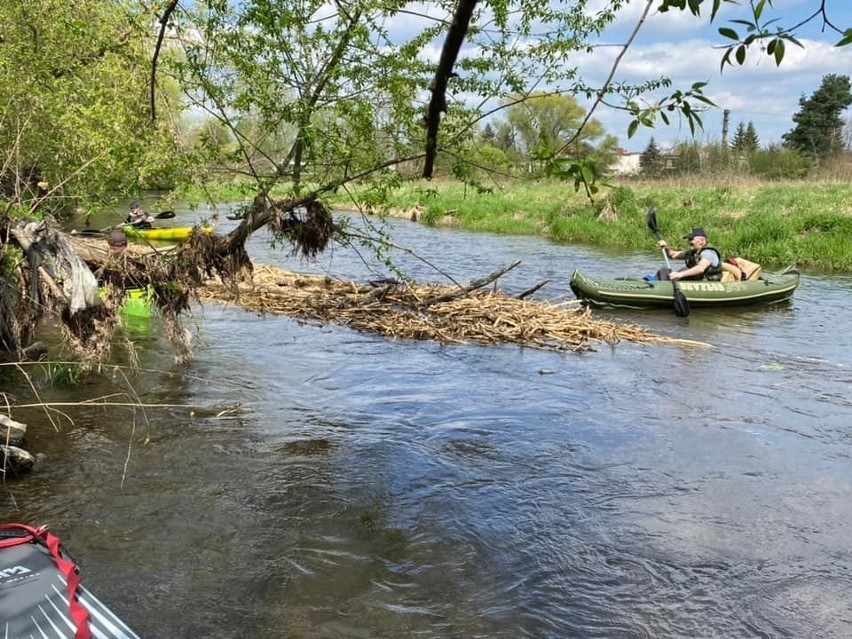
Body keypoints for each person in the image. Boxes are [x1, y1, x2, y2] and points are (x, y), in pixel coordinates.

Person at [656, 227, 723, 281]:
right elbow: (672, 255)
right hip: (695, 283)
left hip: (708, 285)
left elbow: (700, 268)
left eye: (691, 239)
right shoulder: (692, 252)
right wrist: (665, 248)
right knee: (664, 271)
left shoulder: (708, 252)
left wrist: (680, 274)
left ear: (702, 241)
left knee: (684, 269)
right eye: (688, 239)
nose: (689, 242)